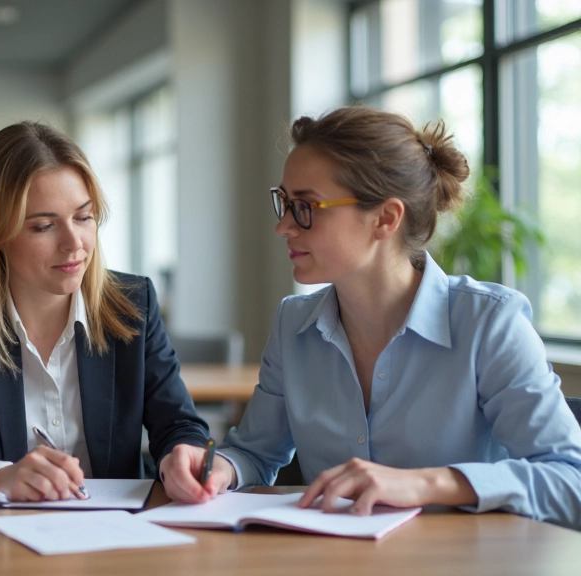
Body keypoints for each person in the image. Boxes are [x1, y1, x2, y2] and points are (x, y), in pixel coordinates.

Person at [160, 106, 581, 529]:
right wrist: (218, 469)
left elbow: (570, 479)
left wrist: (426, 484)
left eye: (305, 206)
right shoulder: (294, 324)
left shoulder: (488, 323)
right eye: (284, 203)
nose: (284, 226)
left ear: (385, 218)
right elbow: (255, 453)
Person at [0, 121, 209, 501]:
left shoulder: (134, 304)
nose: (74, 244)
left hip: (117, 536)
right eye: (43, 226)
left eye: (84, 217)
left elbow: (179, 424)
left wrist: (182, 454)